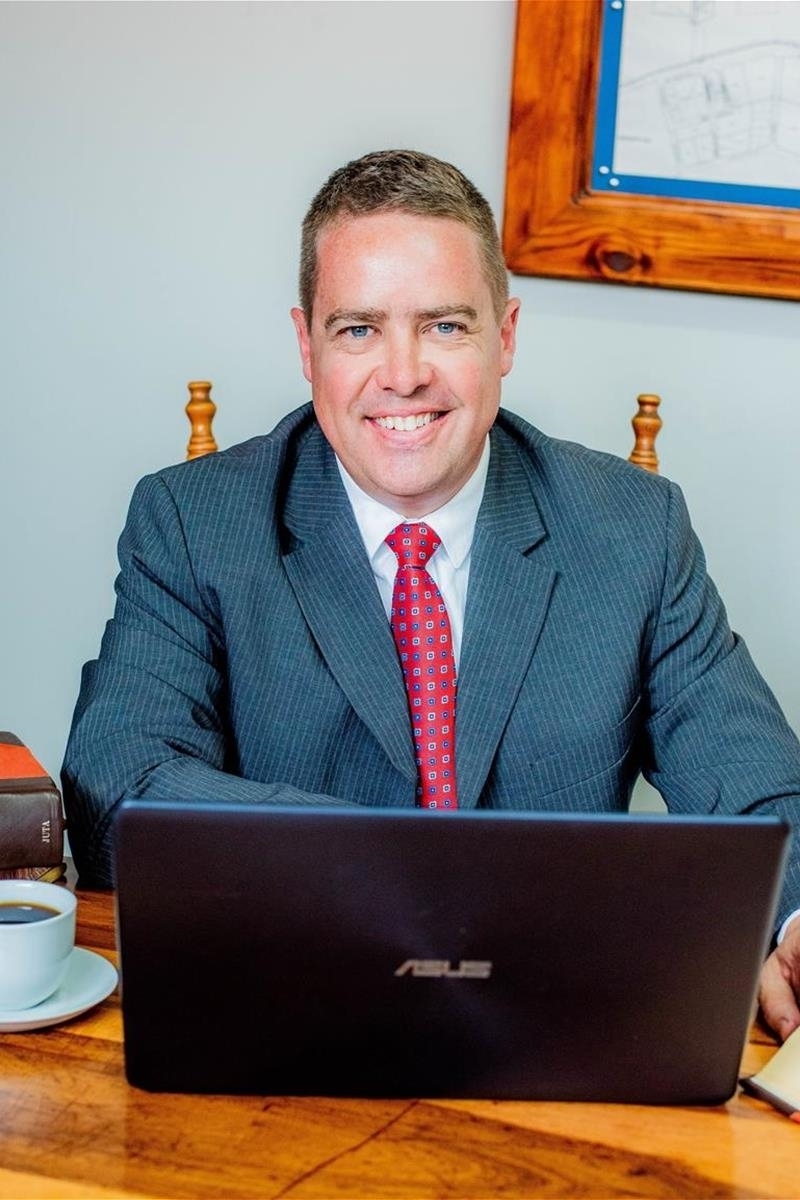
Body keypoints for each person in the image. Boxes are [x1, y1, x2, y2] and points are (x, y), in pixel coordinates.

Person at [62, 149, 800, 1039]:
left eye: (445, 325)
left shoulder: (634, 529)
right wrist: (403, 863)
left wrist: (796, 923)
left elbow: (761, 792)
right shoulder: (192, 522)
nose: (403, 373)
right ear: (306, 346)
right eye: (358, 330)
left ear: (506, 336)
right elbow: (120, 782)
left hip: (551, 1027)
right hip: (292, 1010)